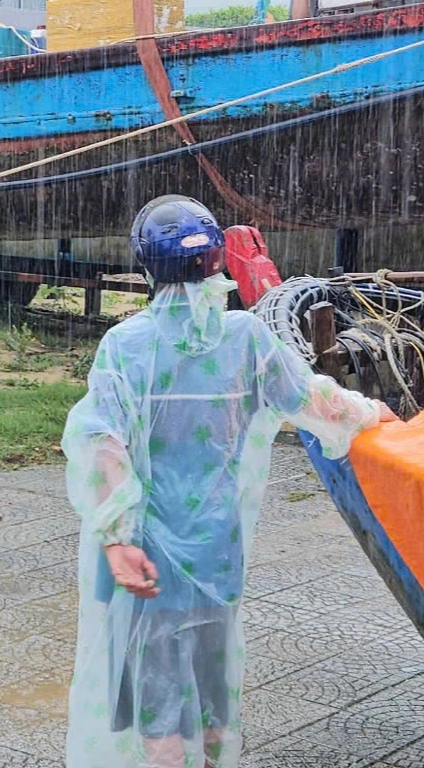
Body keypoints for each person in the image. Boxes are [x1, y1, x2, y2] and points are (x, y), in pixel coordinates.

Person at [63, 196, 395, 766]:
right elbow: (316, 400)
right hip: (218, 551)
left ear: (147, 265)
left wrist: (117, 541)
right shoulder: (246, 338)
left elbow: (100, 443)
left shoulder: (127, 346)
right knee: (214, 696)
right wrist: (373, 412)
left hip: (146, 556)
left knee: (157, 701)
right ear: (217, 260)